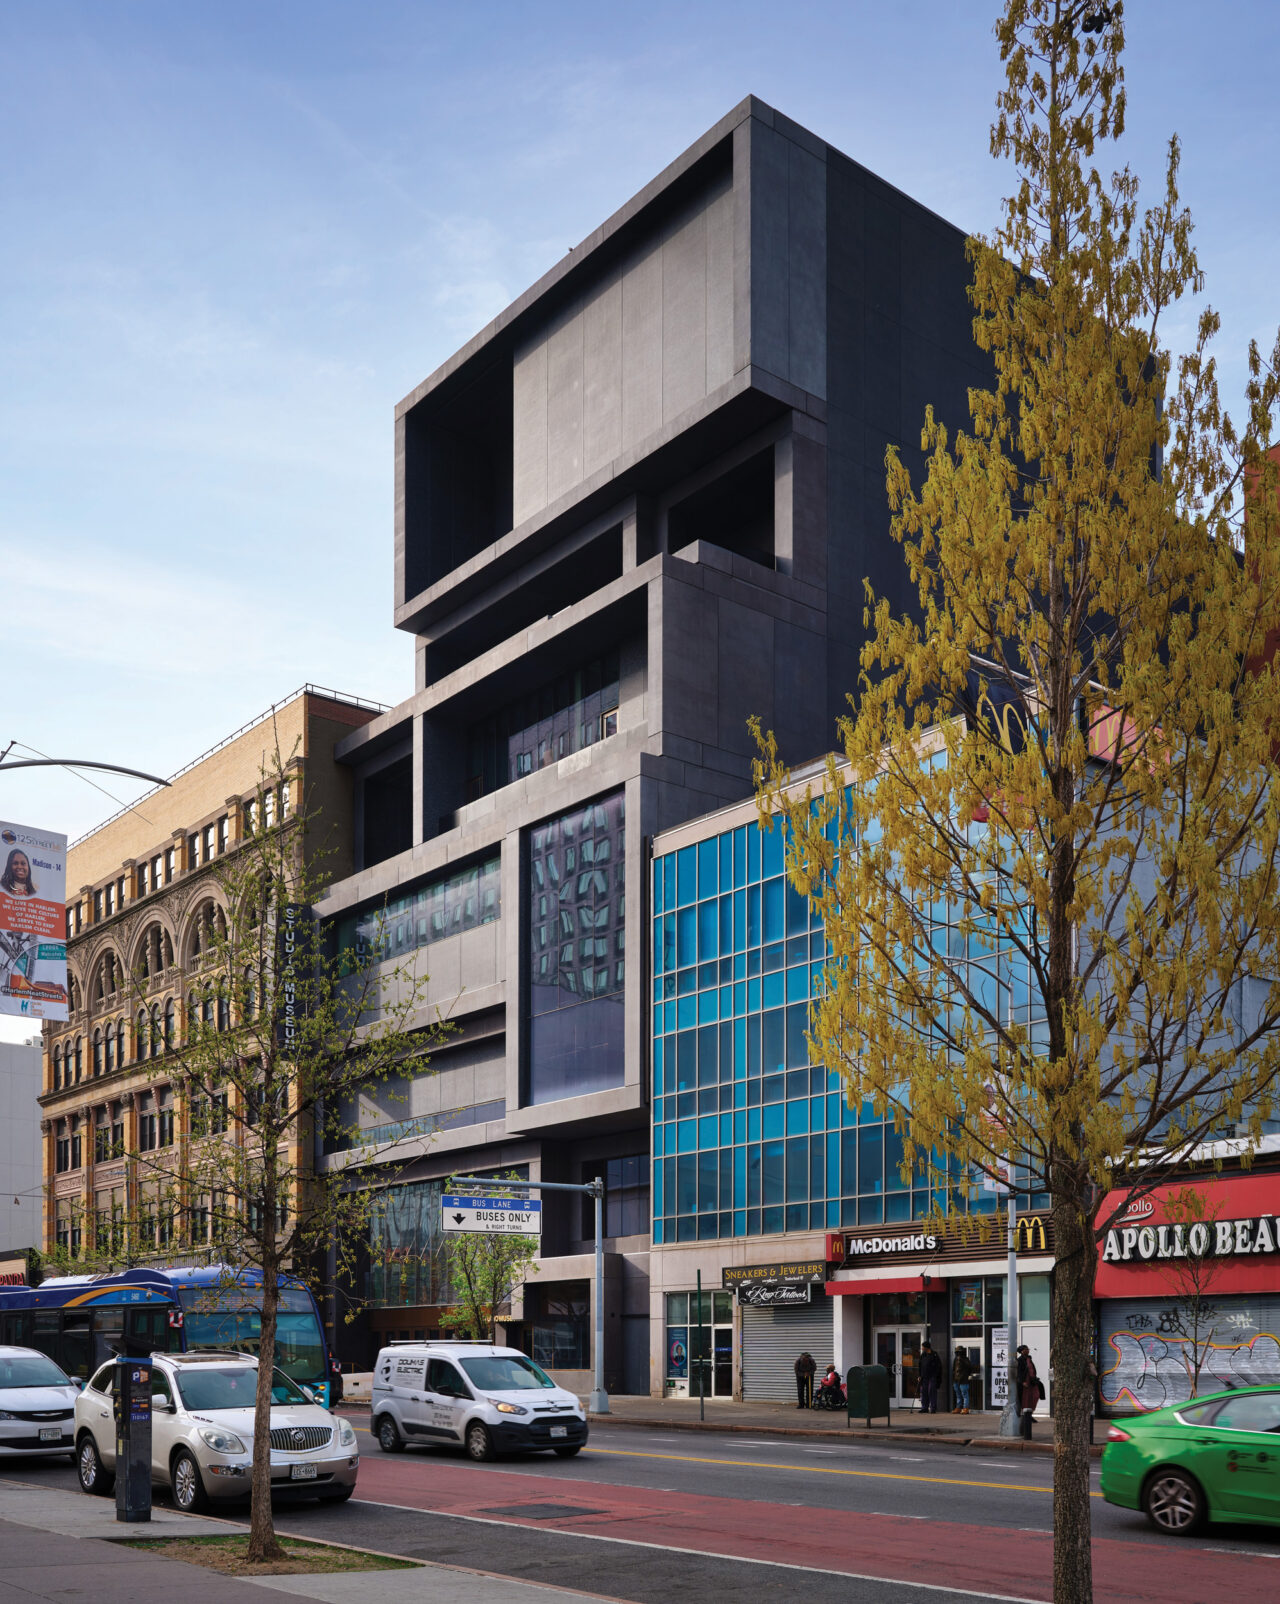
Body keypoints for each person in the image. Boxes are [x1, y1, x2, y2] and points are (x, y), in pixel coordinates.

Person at [1016, 1344, 1041, 1439]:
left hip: (1032, 1382)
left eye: (1028, 1349)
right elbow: (1019, 1372)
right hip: (1025, 1383)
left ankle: (1029, 1414)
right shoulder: (1020, 1360)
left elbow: (1032, 1370)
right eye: (1026, 1349)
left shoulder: (1029, 1359)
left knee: (1036, 1395)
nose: (1028, 1350)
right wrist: (1022, 1382)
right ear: (1022, 1351)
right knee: (1026, 1400)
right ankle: (1027, 1416)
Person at [918, 1341, 943, 1413]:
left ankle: (933, 1408)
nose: (922, 1348)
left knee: (932, 1392)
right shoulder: (923, 1355)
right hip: (924, 1377)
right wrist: (919, 1375)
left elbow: (939, 1367)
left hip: (932, 1377)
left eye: (923, 1347)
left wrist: (936, 1376)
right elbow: (920, 1365)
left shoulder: (934, 1355)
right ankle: (924, 1408)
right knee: (924, 1392)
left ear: (926, 1347)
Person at [952, 1346, 973, 1414]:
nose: (958, 1354)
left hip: (963, 1380)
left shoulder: (965, 1359)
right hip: (956, 1379)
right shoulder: (956, 1359)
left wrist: (965, 1375)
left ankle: (965, 1408)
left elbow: (969, 1368)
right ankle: (958, 1407)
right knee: (958, 1394)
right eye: (957, 1352)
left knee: (964, 1394)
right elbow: (954, 1369)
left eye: (959, 1352)